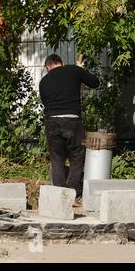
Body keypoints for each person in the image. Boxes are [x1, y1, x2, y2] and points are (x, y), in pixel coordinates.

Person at [39, 54, 100, 206]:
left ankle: (60, 197)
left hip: (51, 121)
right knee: (77, 155)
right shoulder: (73, 70)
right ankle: (72, 193)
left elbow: (47, 103)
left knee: (57, 158)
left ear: (48, 67)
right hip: (71, 119)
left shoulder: (43, 81)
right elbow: (95, 82)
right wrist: (81, 73)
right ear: (62, 63)